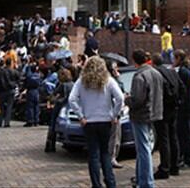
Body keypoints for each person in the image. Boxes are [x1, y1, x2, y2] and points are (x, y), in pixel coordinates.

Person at [69, 57, 124, 188]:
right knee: (105, 153)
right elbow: (120, 98)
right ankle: (110, 182)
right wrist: (114, 115)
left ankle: (96, 184)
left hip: (89, 121)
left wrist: (80, 116)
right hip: (105, 120)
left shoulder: (81, 82)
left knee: (93, 154)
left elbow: (72, 99)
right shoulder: (108, 81)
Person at [127, 49, 163, 188]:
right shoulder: (155, 73)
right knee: (144, 147)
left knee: (143, 149)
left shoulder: (139, 76)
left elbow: (137, 99)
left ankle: (147, 182)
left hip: (141, 115)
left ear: (135, 60)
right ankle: (141, 178)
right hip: (154, 112)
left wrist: (126, 100)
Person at [151, 54, 182, 180]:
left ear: (153, 63)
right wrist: (178, 102)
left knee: (163, 139)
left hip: (163, 109)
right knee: (173, 137)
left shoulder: (157, 74)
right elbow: (182, 87)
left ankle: (164, 168)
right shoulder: (172, 72)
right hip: (173, 108)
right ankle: (175, 166)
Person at [173, 49, 190, 170]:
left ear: (178, 58)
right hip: (189, 106)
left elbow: (182, 91)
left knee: (183, 134)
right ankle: (187, 158)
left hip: (184, 108)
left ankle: (187, 159)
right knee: (185, 134)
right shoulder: (189, 70)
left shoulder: (182, 72)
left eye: (174, 58)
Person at [46, 68, 74, 153]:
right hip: (70, 106)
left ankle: (50, 145)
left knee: (53, 124)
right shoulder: (73, 84)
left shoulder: (62, 85)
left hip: (60, 105)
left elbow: (55, 93)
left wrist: (53, 100)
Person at [0, 59, 19, 128]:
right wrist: (14, 84)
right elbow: (19, 78)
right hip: (11, 90)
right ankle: (7, 122)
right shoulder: (14, 71)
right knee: (9, 106)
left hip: (2, 91)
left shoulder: (0, 72)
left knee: (1, 107)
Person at [22, 61, 42, 127]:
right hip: (37, 91)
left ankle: (30, 121)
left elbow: (25, 83)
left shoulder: (29, 76)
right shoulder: (38, 76)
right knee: (36, 106)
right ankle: (36, 121)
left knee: (30, 106)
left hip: (30, 91)